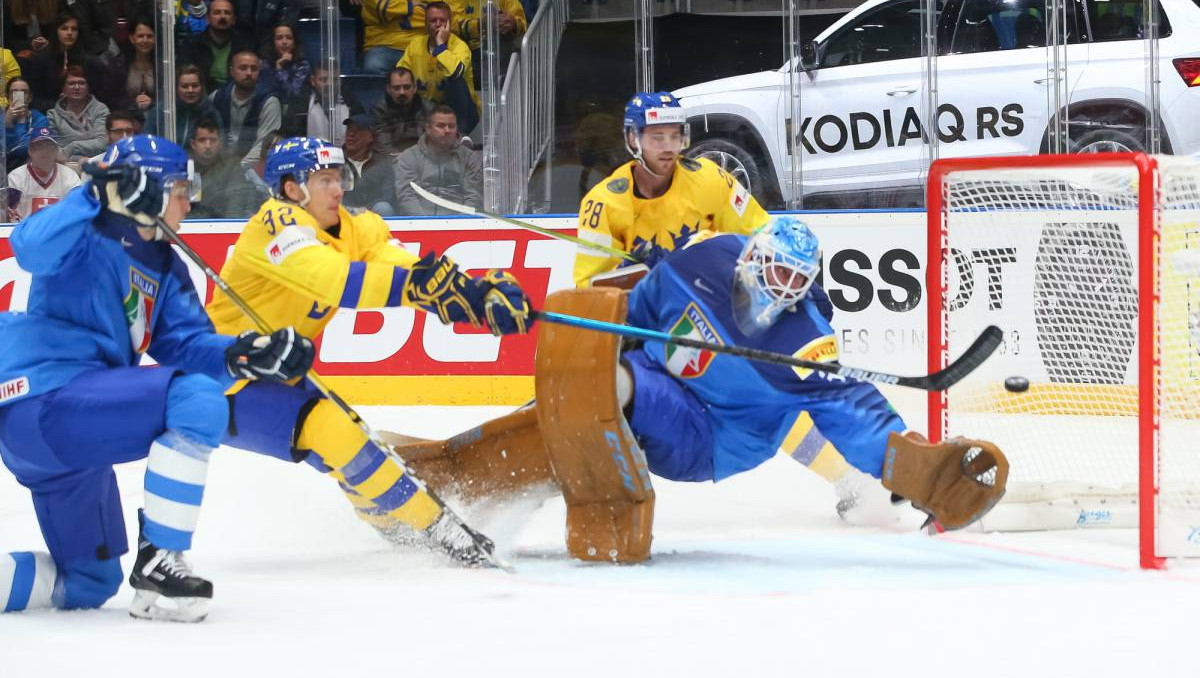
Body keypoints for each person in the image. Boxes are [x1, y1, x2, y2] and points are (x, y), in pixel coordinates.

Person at [395, 218, 1010, 563]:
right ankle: (462, 477)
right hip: (664, 384)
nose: (785, 288)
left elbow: (856, 415)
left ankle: (506, 486)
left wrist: (918, 468)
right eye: (777, 271)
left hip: (714, 439)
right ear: (750, 259)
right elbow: (641, 310)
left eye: (799, 281)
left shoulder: (805, 345)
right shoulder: (706, 259)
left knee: (607, 387)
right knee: (588, 380)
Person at [0, 134, 313, 621]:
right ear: (147, 186)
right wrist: (95, 194)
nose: (190, 203)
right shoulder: (87, 226)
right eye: (183, 190)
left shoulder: (166, 267)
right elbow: (28, 248)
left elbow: (187, 345)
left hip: (73, 434)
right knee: (196, 398)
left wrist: (246, 354)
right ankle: (160, 558)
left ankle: (129, 575)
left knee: (87, 581)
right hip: (45, 400)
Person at [206, 136, 532, 564]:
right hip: (220, 377)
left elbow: (404, 269)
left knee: (354, 448)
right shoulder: (275, 226)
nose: (338, 189)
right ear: (291, 189)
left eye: (338, 177)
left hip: (278, 369)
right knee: (336, 432)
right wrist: (417, 287)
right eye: (324, 180)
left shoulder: (354, 227)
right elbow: (332, 280)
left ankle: (399, 528)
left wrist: (474, 295)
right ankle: (442, 533)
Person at [574, 91, 770, 287]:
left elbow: (761, 235)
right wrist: (628, 275)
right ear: (633, 138)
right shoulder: (602, 203)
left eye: (675, 136)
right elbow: (587, 291)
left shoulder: (710, 179)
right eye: (658, 138)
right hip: (641, 313)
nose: (669, 147)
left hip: (706, 304)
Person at [398, 2, 480, 136]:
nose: (438, 24)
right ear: (425, 24)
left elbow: (456, 72)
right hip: (427, 111)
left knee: (455, 80)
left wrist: (440, 46)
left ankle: (459, 134)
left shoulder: (460, 46)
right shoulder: (415, 45)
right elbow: (401, 74)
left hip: (463, 113)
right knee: (399, 85)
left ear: (449, 24)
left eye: (443, 21)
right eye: (433, 20)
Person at [393, 105, 482, 216]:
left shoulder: (469, 158)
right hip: (419, 225)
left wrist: (458, 224)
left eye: (451, 126)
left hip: (459, 224)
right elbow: (407, 197)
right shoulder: (408, 157)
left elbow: (474, 197)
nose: (447, 130)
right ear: (428, 129)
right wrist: (426, 224)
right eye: (441, 126)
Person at [209, 50, 282, 165]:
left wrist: (237, 170)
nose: (249, 73)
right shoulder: (217, 97)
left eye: (254, 69)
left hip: (252, 169)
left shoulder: (269, 102)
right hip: (218, 166)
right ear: (231, 71)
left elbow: (263, 147)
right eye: (243, 68)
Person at [6, 127, 81, 221]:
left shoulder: (70, 176)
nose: (44, 152)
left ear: (56, 151)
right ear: (30, 150)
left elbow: (77, 211)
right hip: (25, 233)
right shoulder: (16, 178)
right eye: (39, 147)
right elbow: (9, 214)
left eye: (49, 147)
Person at [188, 116, 256, 218]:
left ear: (220, 142)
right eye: (202, 140)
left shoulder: (232, 167)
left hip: (223, 226)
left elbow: (235, 208)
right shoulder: (185, 167)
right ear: (193, 144)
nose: (208, 145)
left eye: (213, 140)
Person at [178, 0, 254, 92]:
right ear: (208, 18)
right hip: (201, 96)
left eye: (227, 13)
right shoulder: (192, 44)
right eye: (217, 13)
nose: (222, 17)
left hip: (234, 94)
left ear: (234, 20)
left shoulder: (244, 45)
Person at [47, 65, 111, 165]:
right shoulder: (53, 115)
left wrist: (72, 147)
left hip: (97, 163)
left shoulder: (100, 110)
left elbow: (103, 143)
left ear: (88, 87)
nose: (76, 87)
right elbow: (56, 151)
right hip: (65, 165)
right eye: (71, 83)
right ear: (63, 88)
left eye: (81, 83)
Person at [145, 65, 220, 145]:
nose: (190, 90)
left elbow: (219, 145)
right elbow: (146, 142)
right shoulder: (160, 112)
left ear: (202, 87)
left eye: (195, 86)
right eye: (184, 86)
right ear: (176, 88)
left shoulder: (211, 113)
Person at [342, 114, 396, 214]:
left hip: (373, 212)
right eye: (349, 130)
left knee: (384, 207)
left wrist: (364, 211)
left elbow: (387, 196)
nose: (351, 134)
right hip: (345, 212)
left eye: (358, 130)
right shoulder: (337, 161)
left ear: (370, 137)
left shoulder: (383, 163)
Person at [371, 67, 432, 155]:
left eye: (407, 87)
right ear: (388, 89)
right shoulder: (380, 109)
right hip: (391, 159)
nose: (402, 92)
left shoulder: (428, 108)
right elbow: (383, 146)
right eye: (396, 88)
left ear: (414, 88)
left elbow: (434, 143)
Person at [256, 22, 311, 106]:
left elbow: (292, 95)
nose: (284, 42)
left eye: (289, 38)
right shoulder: (263, 64)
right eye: (279, 38)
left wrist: (280, 70)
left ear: (294, 43)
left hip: (293, 112)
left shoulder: (302, 65)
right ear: (273, 43)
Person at [3, 78, 49, 168]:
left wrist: (19, 122)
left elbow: (26, 150)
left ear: (30, 98)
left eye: (24, 92)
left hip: (28, 168)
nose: (19, 96)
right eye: (14, 92)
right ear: (7, 97)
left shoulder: (40, 120)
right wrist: (7, 122)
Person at [116, 17, 158, 115]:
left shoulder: (162, 65)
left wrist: (152, 102)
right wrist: (134, 101)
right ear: (132, 38)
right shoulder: (119, 65)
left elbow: (168, 97)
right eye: (140, 36)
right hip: (126, 117)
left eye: (150, 36)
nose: (145, 40)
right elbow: (113, 98)